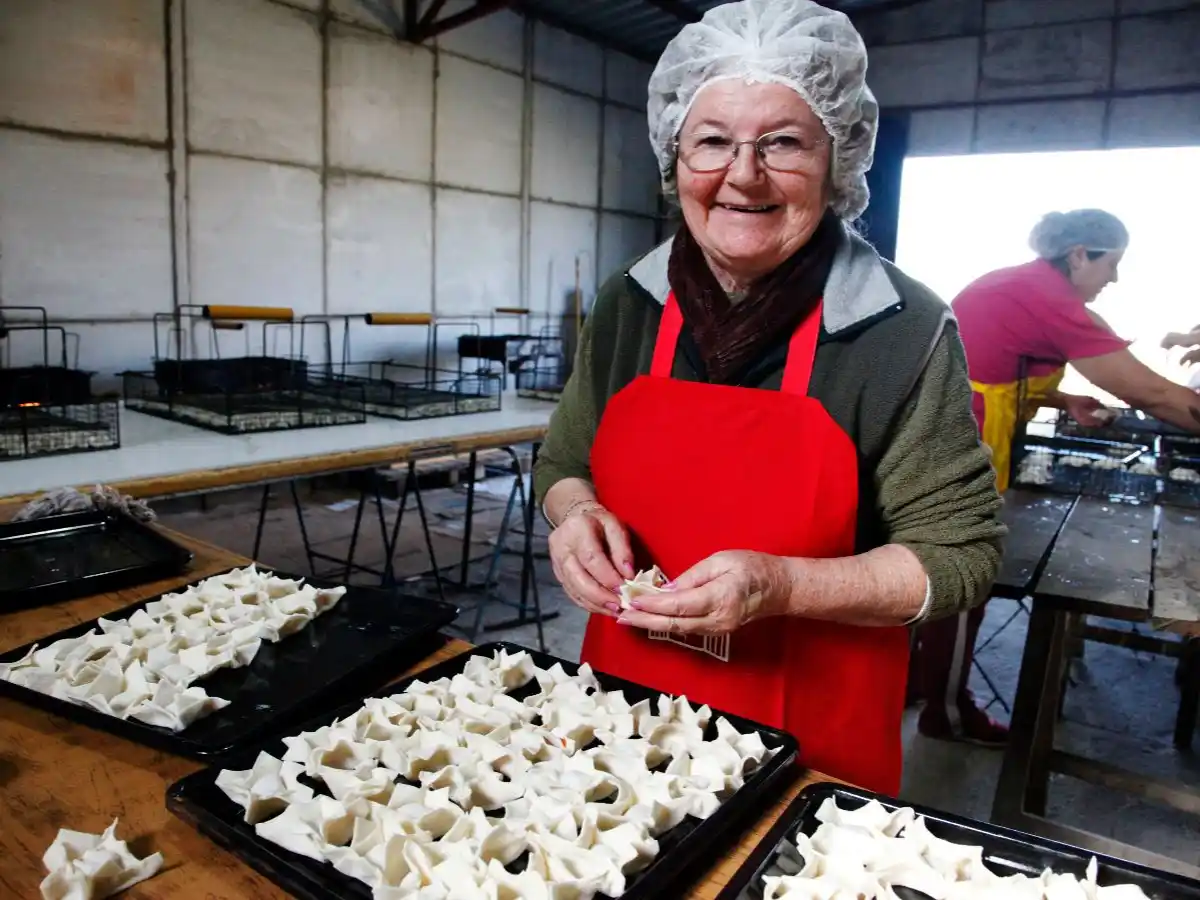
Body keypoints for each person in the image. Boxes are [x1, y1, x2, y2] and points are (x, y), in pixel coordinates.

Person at [532, 0, 1007, 796]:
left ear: (838, 159)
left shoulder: (900, 328)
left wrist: (782, 587)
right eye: (712, 141)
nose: (742, 174)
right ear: (675, 155)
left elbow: (959, 556)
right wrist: (574, 515)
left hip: (811, 748)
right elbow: (562, 462)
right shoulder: (630, 302)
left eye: (782, 142)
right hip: (622, 721)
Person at [912, 209, 1200, 745]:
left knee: (931, 568)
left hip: (954, 431)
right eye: (1111, 264)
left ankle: (920, 681)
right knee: (962, 582)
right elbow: (1152, 393)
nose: (1114, 278)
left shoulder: (1025, 286)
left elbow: (996, 366)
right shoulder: (1047, 297)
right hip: (957, 443)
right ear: (1079, 255)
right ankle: (946, 712)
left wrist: (1063, 399)